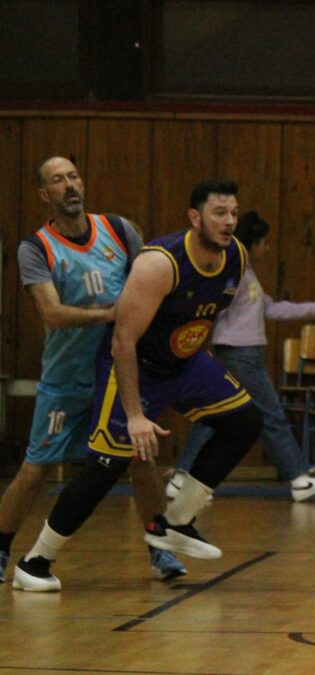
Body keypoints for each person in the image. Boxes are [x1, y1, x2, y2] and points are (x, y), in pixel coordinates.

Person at [12, 179, 265, 591]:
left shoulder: (235, 255)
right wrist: (134, 415)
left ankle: (177, 521)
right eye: (219, 213)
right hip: (134, 365)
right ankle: (35, 561)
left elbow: (203, 317)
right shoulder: (159, 263)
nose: (229, 221)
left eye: (234, 213)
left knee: (245, 421)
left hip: (185, 363)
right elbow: (122, 342)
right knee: (105, 467)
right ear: (195, 217)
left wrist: (200, 361)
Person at [0, 156, 186, 588]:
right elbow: (52, 313)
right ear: (44, 195)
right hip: (66, 379)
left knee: (142, 460)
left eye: (74, 177)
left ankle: (159, 548)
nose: (70, 185)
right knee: (36, 469)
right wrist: (111, 314)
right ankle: (2, 546)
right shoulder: (36, 248)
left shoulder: (119, 230)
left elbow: (150, 284)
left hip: (118, 376)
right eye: (58, 180)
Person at [169, 211, 315, 503]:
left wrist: (314, 309)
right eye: (265, 242)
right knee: (270, 413)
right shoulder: (233, 271)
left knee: (215, 415)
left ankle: (182, 478)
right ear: (253, 242)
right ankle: (298, 478)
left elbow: (269, 308)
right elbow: (211, 305)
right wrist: (202, 342)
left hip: (239, 352)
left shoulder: (245, 273)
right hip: (240, 353)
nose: (267, 248)